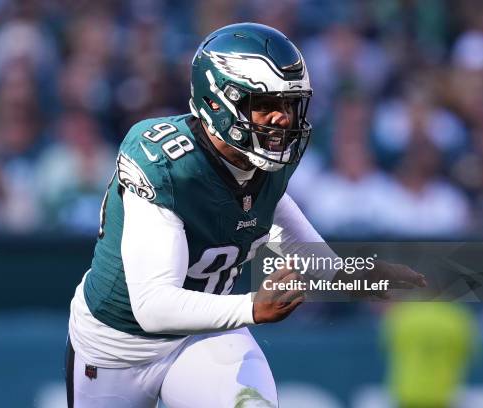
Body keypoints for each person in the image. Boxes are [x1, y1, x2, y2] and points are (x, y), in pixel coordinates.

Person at [65, 22, 425, 408]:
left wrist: (356, 277)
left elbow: (280, 227)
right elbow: (153, 306)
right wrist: (251, 306)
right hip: (116, 349)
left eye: (289, 104)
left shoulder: (264, 161)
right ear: (218, 101)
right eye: (266, 105)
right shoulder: (169, 165)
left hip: (205, 334)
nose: (283, 120)